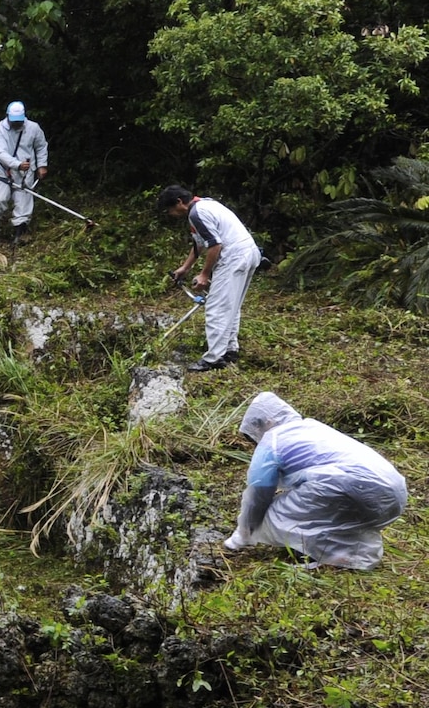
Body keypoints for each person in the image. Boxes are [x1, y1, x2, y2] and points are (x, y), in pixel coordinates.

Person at [224, 392, 407, 570]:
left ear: (268, 421)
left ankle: (336, 558)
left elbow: (258, 496)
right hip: (394, 497)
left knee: (271, 517)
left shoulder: (272, 441)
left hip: (352, 487)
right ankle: (354, 554)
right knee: (326, 513)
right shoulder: (313, 428)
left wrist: (241, 535)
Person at [160, 185, 262, 373]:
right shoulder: (205, 204)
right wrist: (185, 268)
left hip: (234, 257)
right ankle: (230, 350)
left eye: (170, 210)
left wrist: (204, 275)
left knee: (216, 307)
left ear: (179, 202)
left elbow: (215, 245)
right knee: (231, 305)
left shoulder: (196, 214)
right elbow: (200, 243)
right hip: (249, 252)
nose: (171, 214)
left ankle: (214, 358)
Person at [0, 101, 48, 244]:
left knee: (23, 201)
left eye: (19, 121)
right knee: (0, 198)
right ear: (8, 116)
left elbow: (41, 146)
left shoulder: (33, 128)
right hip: (3, 171)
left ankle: (20, 233)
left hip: (26, 172)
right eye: (14, 121)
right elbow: (0, 153)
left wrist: (42, 165)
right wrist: (17, 164)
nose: (17, 124)